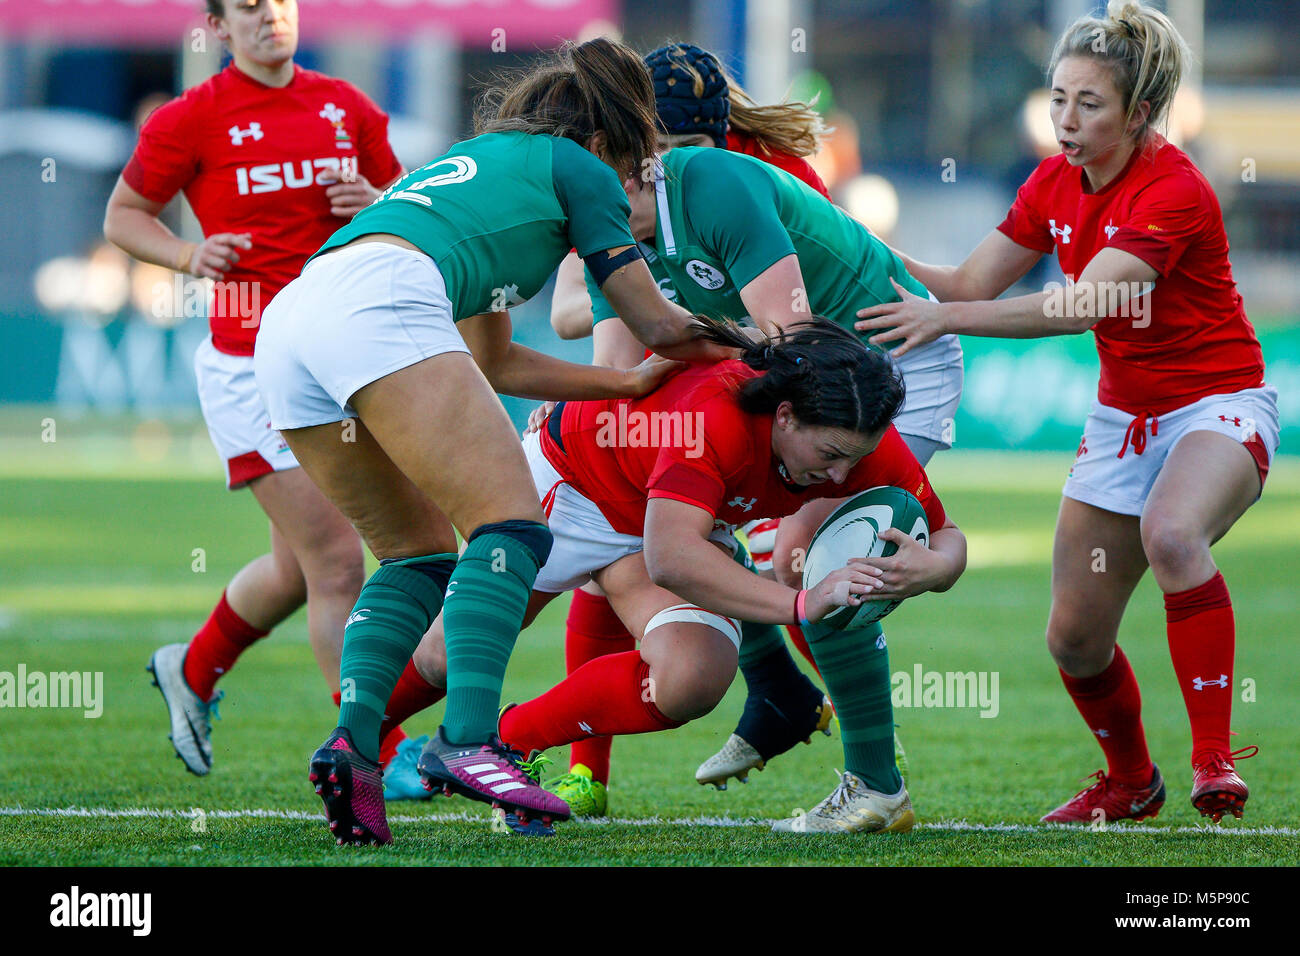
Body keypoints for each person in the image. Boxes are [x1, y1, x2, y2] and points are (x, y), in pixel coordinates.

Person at [252, 37, 732, 846]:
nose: (634, 182)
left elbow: (495, 359)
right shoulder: (579, 168)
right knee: (511, 528)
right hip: (381, 306)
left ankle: (355, 746)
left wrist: (621, 385)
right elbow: (654, 320)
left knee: (418, 556)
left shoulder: (476, 165)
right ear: (603, 138)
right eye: (636, 159)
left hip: (295, 320)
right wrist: (762, 346)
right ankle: (471, 741)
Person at [855, 1, 1277, 824]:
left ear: (1140, 113)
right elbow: (967, 285)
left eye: (1089, 103)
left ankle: (1213, 759)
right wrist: (847, 242)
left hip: (1219, 404)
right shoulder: (1052, 181)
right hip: (1125, 421)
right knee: (1074, 640)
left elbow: (1083, 304)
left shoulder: (1175, 190)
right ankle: (1130, 782)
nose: (1065, 120)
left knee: (1173, 533)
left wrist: (943, 319)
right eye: (1057, 99)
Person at [398, 319, 966, 834]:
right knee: (445, 659)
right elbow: (670, 557)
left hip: (668, 518)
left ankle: (505, 745)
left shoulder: (857, 439)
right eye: (830, 454)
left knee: (692, 676)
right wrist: (800, 604)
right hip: (576, 490)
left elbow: (948, 536)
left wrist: (934, 568)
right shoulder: (716, 415)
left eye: (854, 457)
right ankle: (359, 742)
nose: (842, 474)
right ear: (785, 416)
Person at [103, 0, 407, 778]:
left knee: (296, 567)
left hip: (337, 362)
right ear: (217, 27)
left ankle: (192, 669)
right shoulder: (191, 117)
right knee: (339, 563)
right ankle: (378, 753)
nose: (269, 17)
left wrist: (377, 205)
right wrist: (187, 255)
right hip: (247, 366)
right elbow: (125, 215)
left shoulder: (347, 107)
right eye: (248, 7)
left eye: (280, 3)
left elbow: (408, 205)